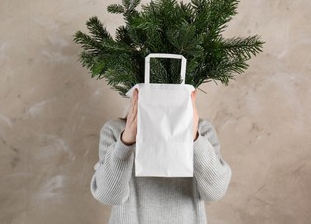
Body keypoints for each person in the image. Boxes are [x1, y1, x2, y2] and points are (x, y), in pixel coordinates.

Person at [91, 89, 232, 224]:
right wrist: (125, 143)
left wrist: (194, 138)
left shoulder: (202, 130)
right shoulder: (115, 131)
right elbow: (108, 196)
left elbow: (215, 192)